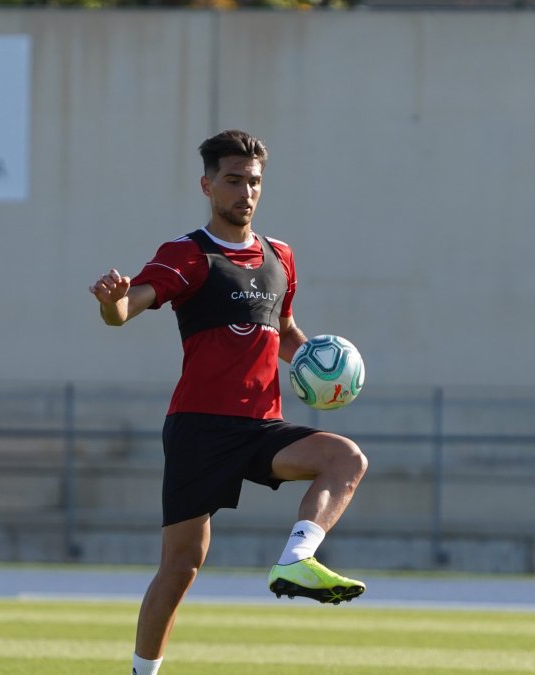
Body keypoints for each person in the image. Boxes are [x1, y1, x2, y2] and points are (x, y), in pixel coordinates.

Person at [88, 129, 369, 675]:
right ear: (208, 185)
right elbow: (126, 310)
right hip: (199, 429)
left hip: (262, 427)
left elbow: (283, 331)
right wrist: (112, 302)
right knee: (181, 567)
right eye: (234, 180)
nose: (246, 192)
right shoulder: (188, 254)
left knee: (346, 458)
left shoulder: (280, 257)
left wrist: (321, 364)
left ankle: (297, 560)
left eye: (254, 182)